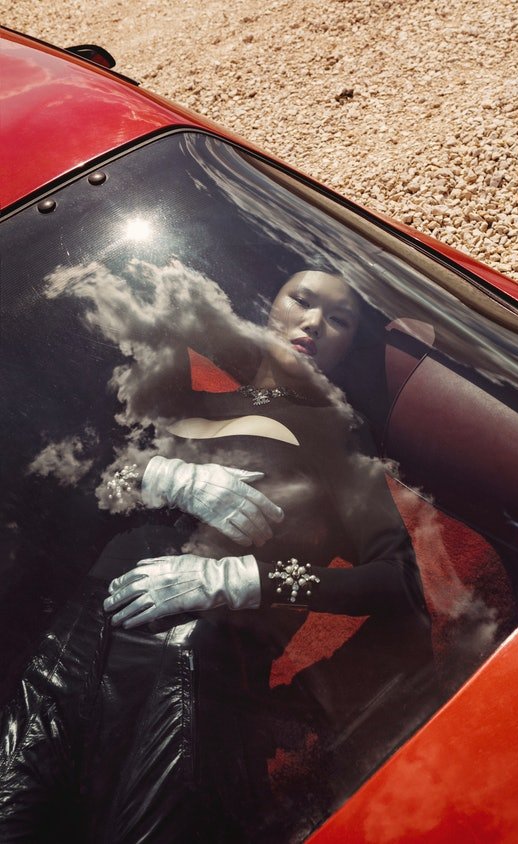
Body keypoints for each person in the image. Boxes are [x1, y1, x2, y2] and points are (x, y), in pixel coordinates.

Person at [0, 269, 437, 843]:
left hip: (187, 672)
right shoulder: (186, 391)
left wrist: (242, 578)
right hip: (69, 642)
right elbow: (57, 475)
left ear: (350, 345)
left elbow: (398, 581)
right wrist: (154, 473)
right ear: (270, 304)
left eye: (339, 319)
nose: (312, 323)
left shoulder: (338, 433)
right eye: (302, 300)